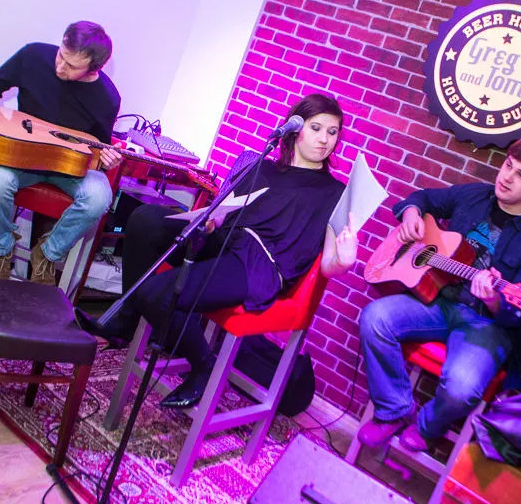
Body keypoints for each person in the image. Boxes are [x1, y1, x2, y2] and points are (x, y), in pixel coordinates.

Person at [75, 93, 357, 408]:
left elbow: (329, 263)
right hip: (224, 241)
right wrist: (210, 220)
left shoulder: (335, 192)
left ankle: (203, 365)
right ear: (295, 128)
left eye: (332, 132)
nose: (325, 139)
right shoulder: (262, 167)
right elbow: (225, 213)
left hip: (257, 265)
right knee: (144, 220)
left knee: (155, 293)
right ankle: (124, 323)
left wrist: (343, 262)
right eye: (316, 128)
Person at [357, 135, 521, 452]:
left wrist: (493, 298)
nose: (507, 177)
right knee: (375, 318)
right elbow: (422, 198)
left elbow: (518, 316)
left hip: (486, 324)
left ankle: (428, 427)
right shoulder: (474, 196)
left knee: (462, 388)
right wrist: (412, 214)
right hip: (439, 300)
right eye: (509, 165)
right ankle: (394, 410)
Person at [0, 21, 123, 284]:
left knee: (99, 196)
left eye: (71, 66)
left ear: (93, 69)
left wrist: (108, 160)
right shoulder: (34, 55)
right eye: (61, 55)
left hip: (69, 168)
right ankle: (0, 249)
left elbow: (99, 147)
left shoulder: (107, 98)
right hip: (23, 158)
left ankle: (47, 254)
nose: (60, 66)